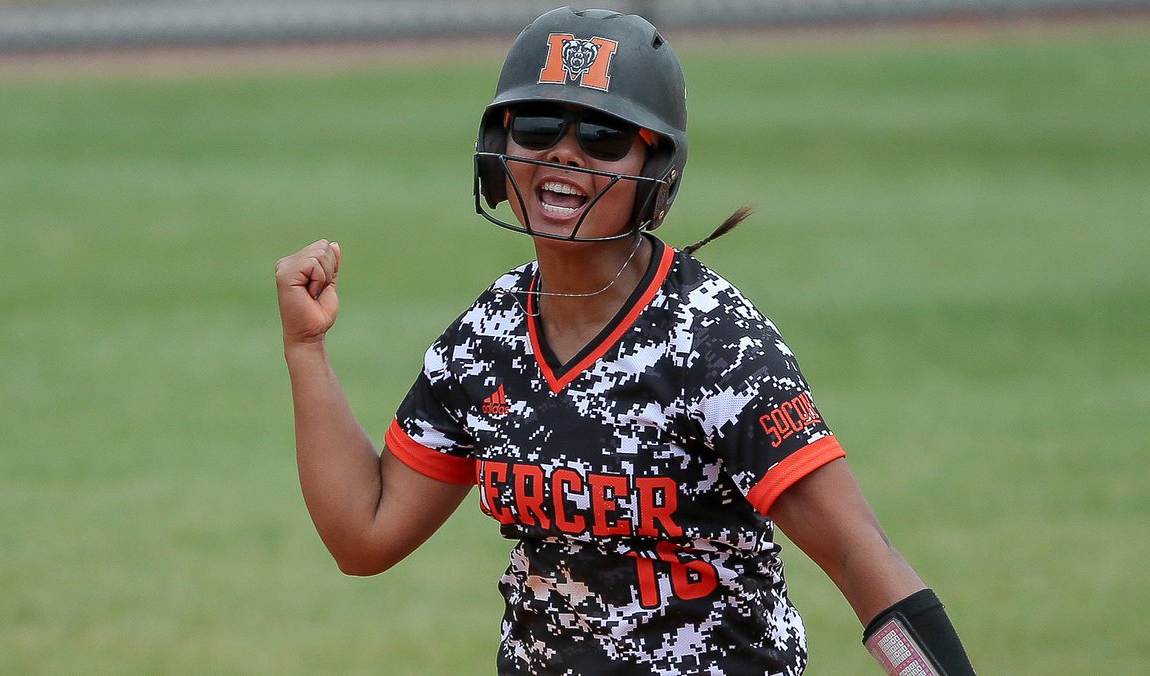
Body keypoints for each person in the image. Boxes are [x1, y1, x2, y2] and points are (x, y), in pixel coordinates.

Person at [275, 6, 975, 675]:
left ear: (658, 172)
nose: (564, 153)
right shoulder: (486, 339)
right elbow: (364, 535)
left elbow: (859, 556)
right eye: (540, 125)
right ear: (497, 150)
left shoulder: (713, 344)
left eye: (604, 136)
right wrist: (307, 354)